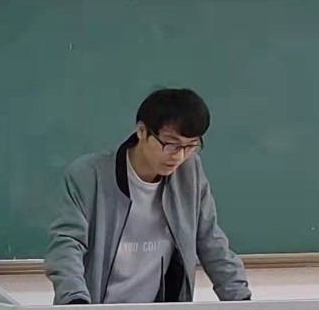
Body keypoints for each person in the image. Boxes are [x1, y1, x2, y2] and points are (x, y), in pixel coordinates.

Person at [44, 88, 251, 305]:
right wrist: (75, 303)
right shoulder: (88, 176)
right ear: (142, 131)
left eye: (190, 146)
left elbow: (211, 241)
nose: (179, 156)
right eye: (171, 145)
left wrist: (242, 300)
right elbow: (66, 245)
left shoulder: (189, 173)